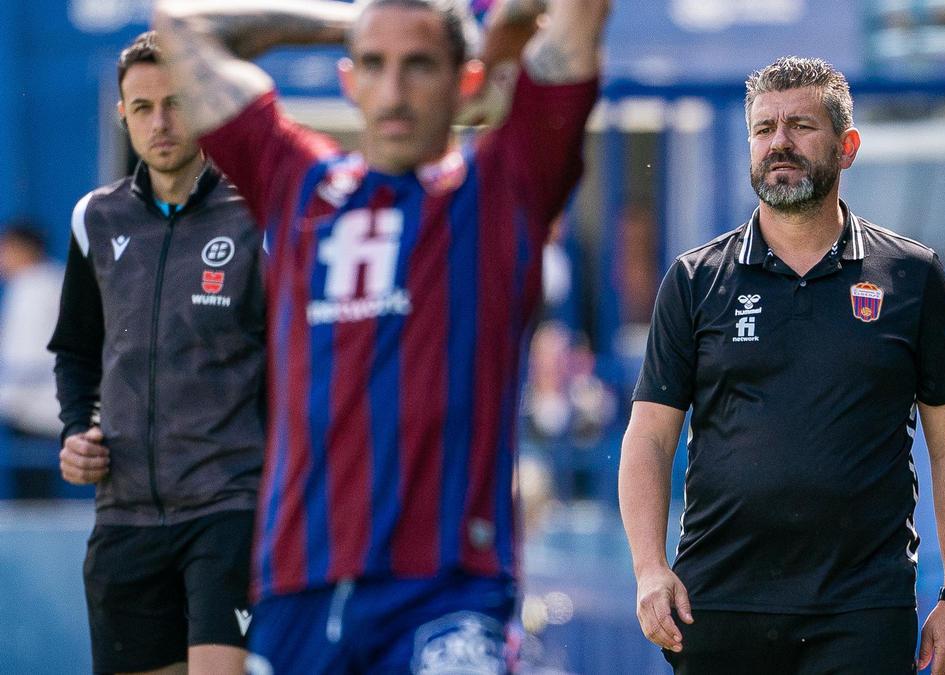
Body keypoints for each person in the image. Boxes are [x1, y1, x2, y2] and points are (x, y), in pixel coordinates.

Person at [152, 0, 609, 671]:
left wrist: (495, 20)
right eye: (374, 63)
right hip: (297, 588)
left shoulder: (499, 189)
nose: (394, 91)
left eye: (419, 64)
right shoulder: (297, 184)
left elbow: (582, 14)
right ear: (349, 79)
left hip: (448, 590)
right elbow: (181, 24)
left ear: (467, 80)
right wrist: (363, 19)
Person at [618, 56, 945, 675]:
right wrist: (650, 569)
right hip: (720, 603)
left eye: (800, 127)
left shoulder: (911, 276)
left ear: (848, 147)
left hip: (863, 607)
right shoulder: (693, 280)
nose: (779, 144)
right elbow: (650, 438)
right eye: (764, 130)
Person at [47, 31, 266, 675]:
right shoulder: (96, 218)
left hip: (229, 508)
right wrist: (75, 431)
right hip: (125, 519)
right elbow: (76, 352)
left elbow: (295, 362)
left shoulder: (257, 214)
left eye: (174, 103)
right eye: (142, 108)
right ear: (123, 115)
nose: (160, 122)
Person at [0, 222, 64, 498]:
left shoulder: (32, 287)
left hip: (36, 408)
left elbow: (26, 358)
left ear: (22, 250)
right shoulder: (55, 279)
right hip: (51, 404)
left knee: (35, 496)